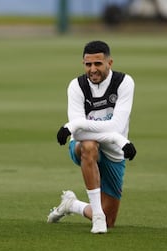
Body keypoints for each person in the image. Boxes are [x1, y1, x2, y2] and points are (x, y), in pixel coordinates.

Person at [47, 40, 136, 234]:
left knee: (110, 219)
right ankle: (97, 217)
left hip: (114, 152)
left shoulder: (124, 82)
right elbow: (79, 136)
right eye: (88, 64)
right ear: (83, 64)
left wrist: (74, 125)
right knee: (88, 145)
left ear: (109, 63)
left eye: (98, 64)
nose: (93, 69)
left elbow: (116, 126)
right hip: (84, 147)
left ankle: (72, 205)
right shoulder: (76, 86)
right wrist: (78, 129)